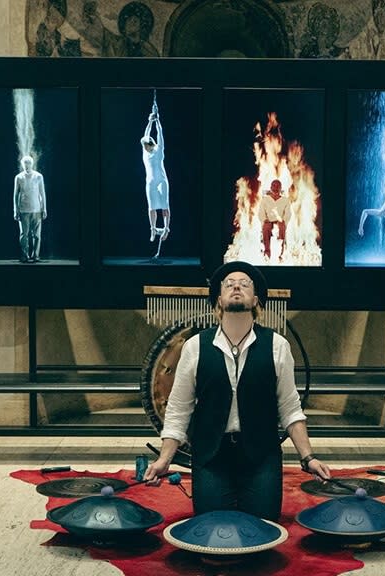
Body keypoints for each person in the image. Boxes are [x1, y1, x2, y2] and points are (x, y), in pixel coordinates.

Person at [144, 261, 331, 521]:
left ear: (255, 300)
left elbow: (290, 408)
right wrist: (165, 459)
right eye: (229, 284)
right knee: (211, 527)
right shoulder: (195, 346)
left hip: (261, 455)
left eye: (244, 284)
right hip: (211, 456)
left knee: (264, 527)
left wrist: (308, 457)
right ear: (219, 300)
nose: (236, 287)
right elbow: (178, 409)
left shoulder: (277, 345)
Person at [142, 103, 170, 242]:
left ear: (150, 144)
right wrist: (150, 121)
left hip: (161, 181)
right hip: (150, 181)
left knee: (165, 206)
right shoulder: (145, 153)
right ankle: (153, 229)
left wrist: (157, 120)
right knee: (151, 207)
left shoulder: (159, 149)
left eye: (146, 145)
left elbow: (160, 134)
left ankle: (166, 228)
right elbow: (146, 134)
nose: (144, 147)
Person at [13, 155, 46, 263]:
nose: (27, 165)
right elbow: (15, 195)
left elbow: (42, 194)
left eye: (29, 163)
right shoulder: (18, 177)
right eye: (25, 163)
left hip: (37, 210)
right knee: (24, 235)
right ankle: (25, 255)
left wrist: (44, 209)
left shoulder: (39, 176)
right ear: (22, 164)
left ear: (32, 164)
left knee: (37, 235)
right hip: (23, 210)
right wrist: (15, 210)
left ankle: (35, 255)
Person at [258, 179, 291, 260]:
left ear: (280, 188)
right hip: (268, 221)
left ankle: (281, 255)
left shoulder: (285, 200)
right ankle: (267, 253)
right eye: (274, 186)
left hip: (280, 221)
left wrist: (283, 221)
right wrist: (265, 220)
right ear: (271, 187)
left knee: (282, 227)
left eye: (278, 186)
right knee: (266, 227)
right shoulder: (265, 199)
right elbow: (261, 212)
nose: (276, 188)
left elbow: (288, 214)